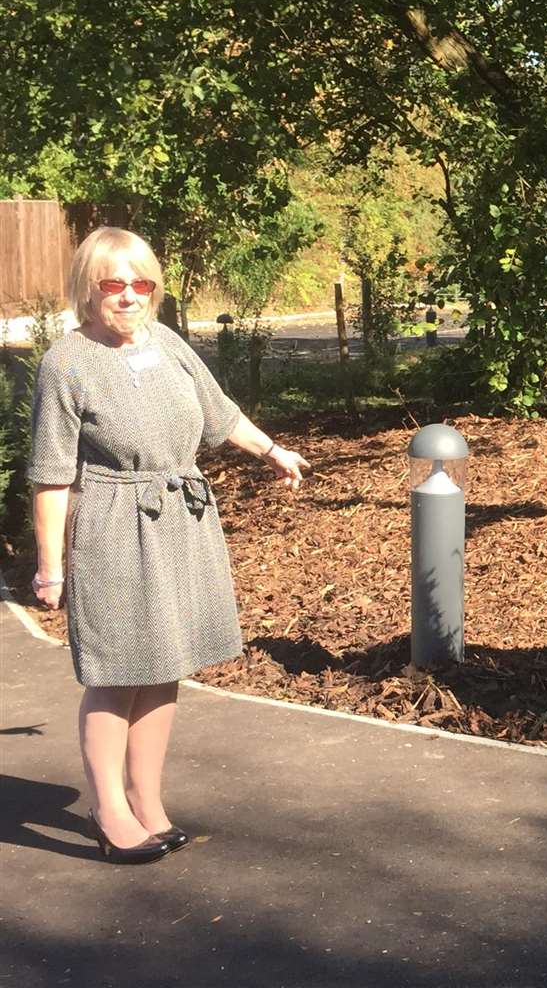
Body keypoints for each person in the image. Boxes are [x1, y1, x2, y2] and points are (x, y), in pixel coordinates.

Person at [28, 227, 309, 865]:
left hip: (181, 518)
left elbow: (221, 413)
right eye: (113, 283)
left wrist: (271, 450)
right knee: (117, 672)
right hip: (114, 527)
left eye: (142, 283)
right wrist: (51, 568)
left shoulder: (168, 343)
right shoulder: (66, 362)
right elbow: (51, 473)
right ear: (87, 289)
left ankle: (146, 801)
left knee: (164, 665)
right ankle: (110, 810)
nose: (129, 296)